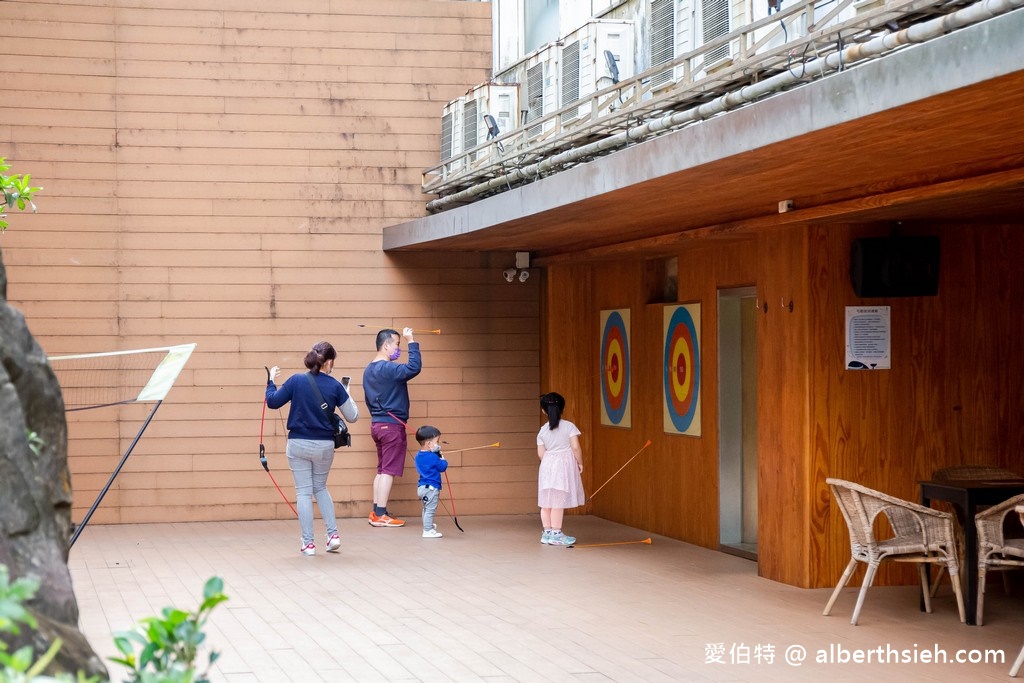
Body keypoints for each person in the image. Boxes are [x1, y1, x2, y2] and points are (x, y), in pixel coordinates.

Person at [266, 341, 358, 556]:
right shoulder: (335, 386)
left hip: (297, 443)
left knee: (304, 493)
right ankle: (333, 535)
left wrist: (270, 381)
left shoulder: (297, 380)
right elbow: (352, 416)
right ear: (330, 361)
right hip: (324, 446)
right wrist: (346, 393)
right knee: (321, 488)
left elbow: (272, 402)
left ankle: (308, 544)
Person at [362, 327, 421, 527]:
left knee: (381, 470)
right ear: (386, 345)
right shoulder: (388, 368)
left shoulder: (369, 369)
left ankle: (377, 511)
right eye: (397, 344)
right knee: (387, 471)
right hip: (392, 426)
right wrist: (412, 340)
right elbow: (413, 368)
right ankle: (380, 515)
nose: (398, 348)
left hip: (377, 425)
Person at [537, 392, 584, 546]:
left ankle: (547, 533)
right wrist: (580, 462)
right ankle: (556, 533)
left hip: (547, 466)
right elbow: (575, 447)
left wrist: (549, 464)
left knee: (546, 502)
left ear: (544, 411)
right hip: (562, 467)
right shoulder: (569, 426)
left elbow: (541, 454)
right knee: (558, 501)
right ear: (562, 408)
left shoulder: (542, 431)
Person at [413, 425, 447, 539]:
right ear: (428, 444)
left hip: (422, 487)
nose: (437, 444)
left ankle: (427, 526)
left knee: (426, 509)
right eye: (436, 441)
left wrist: (435, 453)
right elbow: (442, 467)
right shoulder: (433, 457)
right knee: (430, 510)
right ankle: (427, 530)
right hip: (431, 488)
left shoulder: (418, 455)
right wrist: (442, 458)